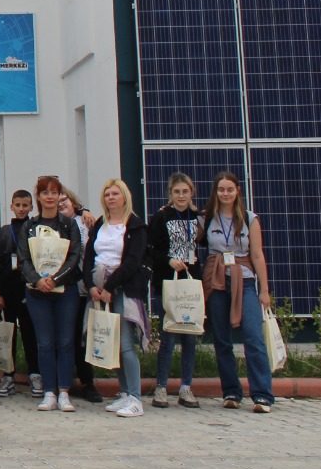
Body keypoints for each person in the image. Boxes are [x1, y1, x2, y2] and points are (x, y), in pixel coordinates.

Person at [202, 171, 275, 413]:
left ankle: (262, 394)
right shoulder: (206, 219)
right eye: (221, 190)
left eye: (229, 189)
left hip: (244, 281)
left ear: (237, 191)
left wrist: (264, 289)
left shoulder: (250, 219)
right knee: (222, 340)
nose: (225, 194)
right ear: (216, 192)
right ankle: (231, 391)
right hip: (217, 281)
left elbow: (257, 255)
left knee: (253, 337)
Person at [82, 179, 150, 418]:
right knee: (111, 344)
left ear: (125, 197)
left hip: (124, 287)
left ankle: (136, 398)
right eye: (107, 194)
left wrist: (111, 285)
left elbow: (133, 260)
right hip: (100, 289)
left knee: (125, 344)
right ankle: (124, 393)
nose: (111, 198)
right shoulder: (100, 223)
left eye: (115, 193)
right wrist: (91, 285)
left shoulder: (135, 225)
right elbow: (89, 256)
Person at [19, 176, 84, 414]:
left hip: (65, 290)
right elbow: (24, 258)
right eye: (45, 192)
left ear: (59, 196)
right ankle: (49, 392)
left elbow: (75, 255)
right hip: (38, 292)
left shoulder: (69, 224)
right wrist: (37, 280)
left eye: (54, 192)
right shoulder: (29, 226)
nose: (49, 196)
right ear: (38, 196)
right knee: (44, 342)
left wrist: (56, 279)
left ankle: (64, 391)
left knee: (66, 342)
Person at [148, 172, 204, 409]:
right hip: (168, 282)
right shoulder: (162, 217)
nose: (181, 196)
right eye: (176, 192)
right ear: (170, 194)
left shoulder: (199, 218)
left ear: (192, 193)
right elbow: (151, 250)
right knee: (168, 335)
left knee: (190, 337)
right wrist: (168, 260)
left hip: (191, 282)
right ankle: (161, 387)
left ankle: (186, 387)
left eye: (185, 191)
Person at [0, 189, 41, 399]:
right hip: (8, 290)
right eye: (17, 205)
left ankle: (35, 374)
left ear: (31, 207)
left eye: (25, 205)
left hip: (29, 288)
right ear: (11, 206)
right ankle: (7, 376)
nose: (21, 209)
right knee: (8, 333)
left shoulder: (35, 229)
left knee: (30, 332)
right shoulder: (5, 231)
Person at [59, 185, 103, 404]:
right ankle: (68, 380)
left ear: (73, 201)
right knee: (70, 336)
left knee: (85, 336)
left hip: (87, 286)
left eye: (64, 199)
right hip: (66, 288)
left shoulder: (87, 222)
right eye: (57, 202)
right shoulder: (54, 225)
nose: (61, 204)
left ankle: (88, 381)